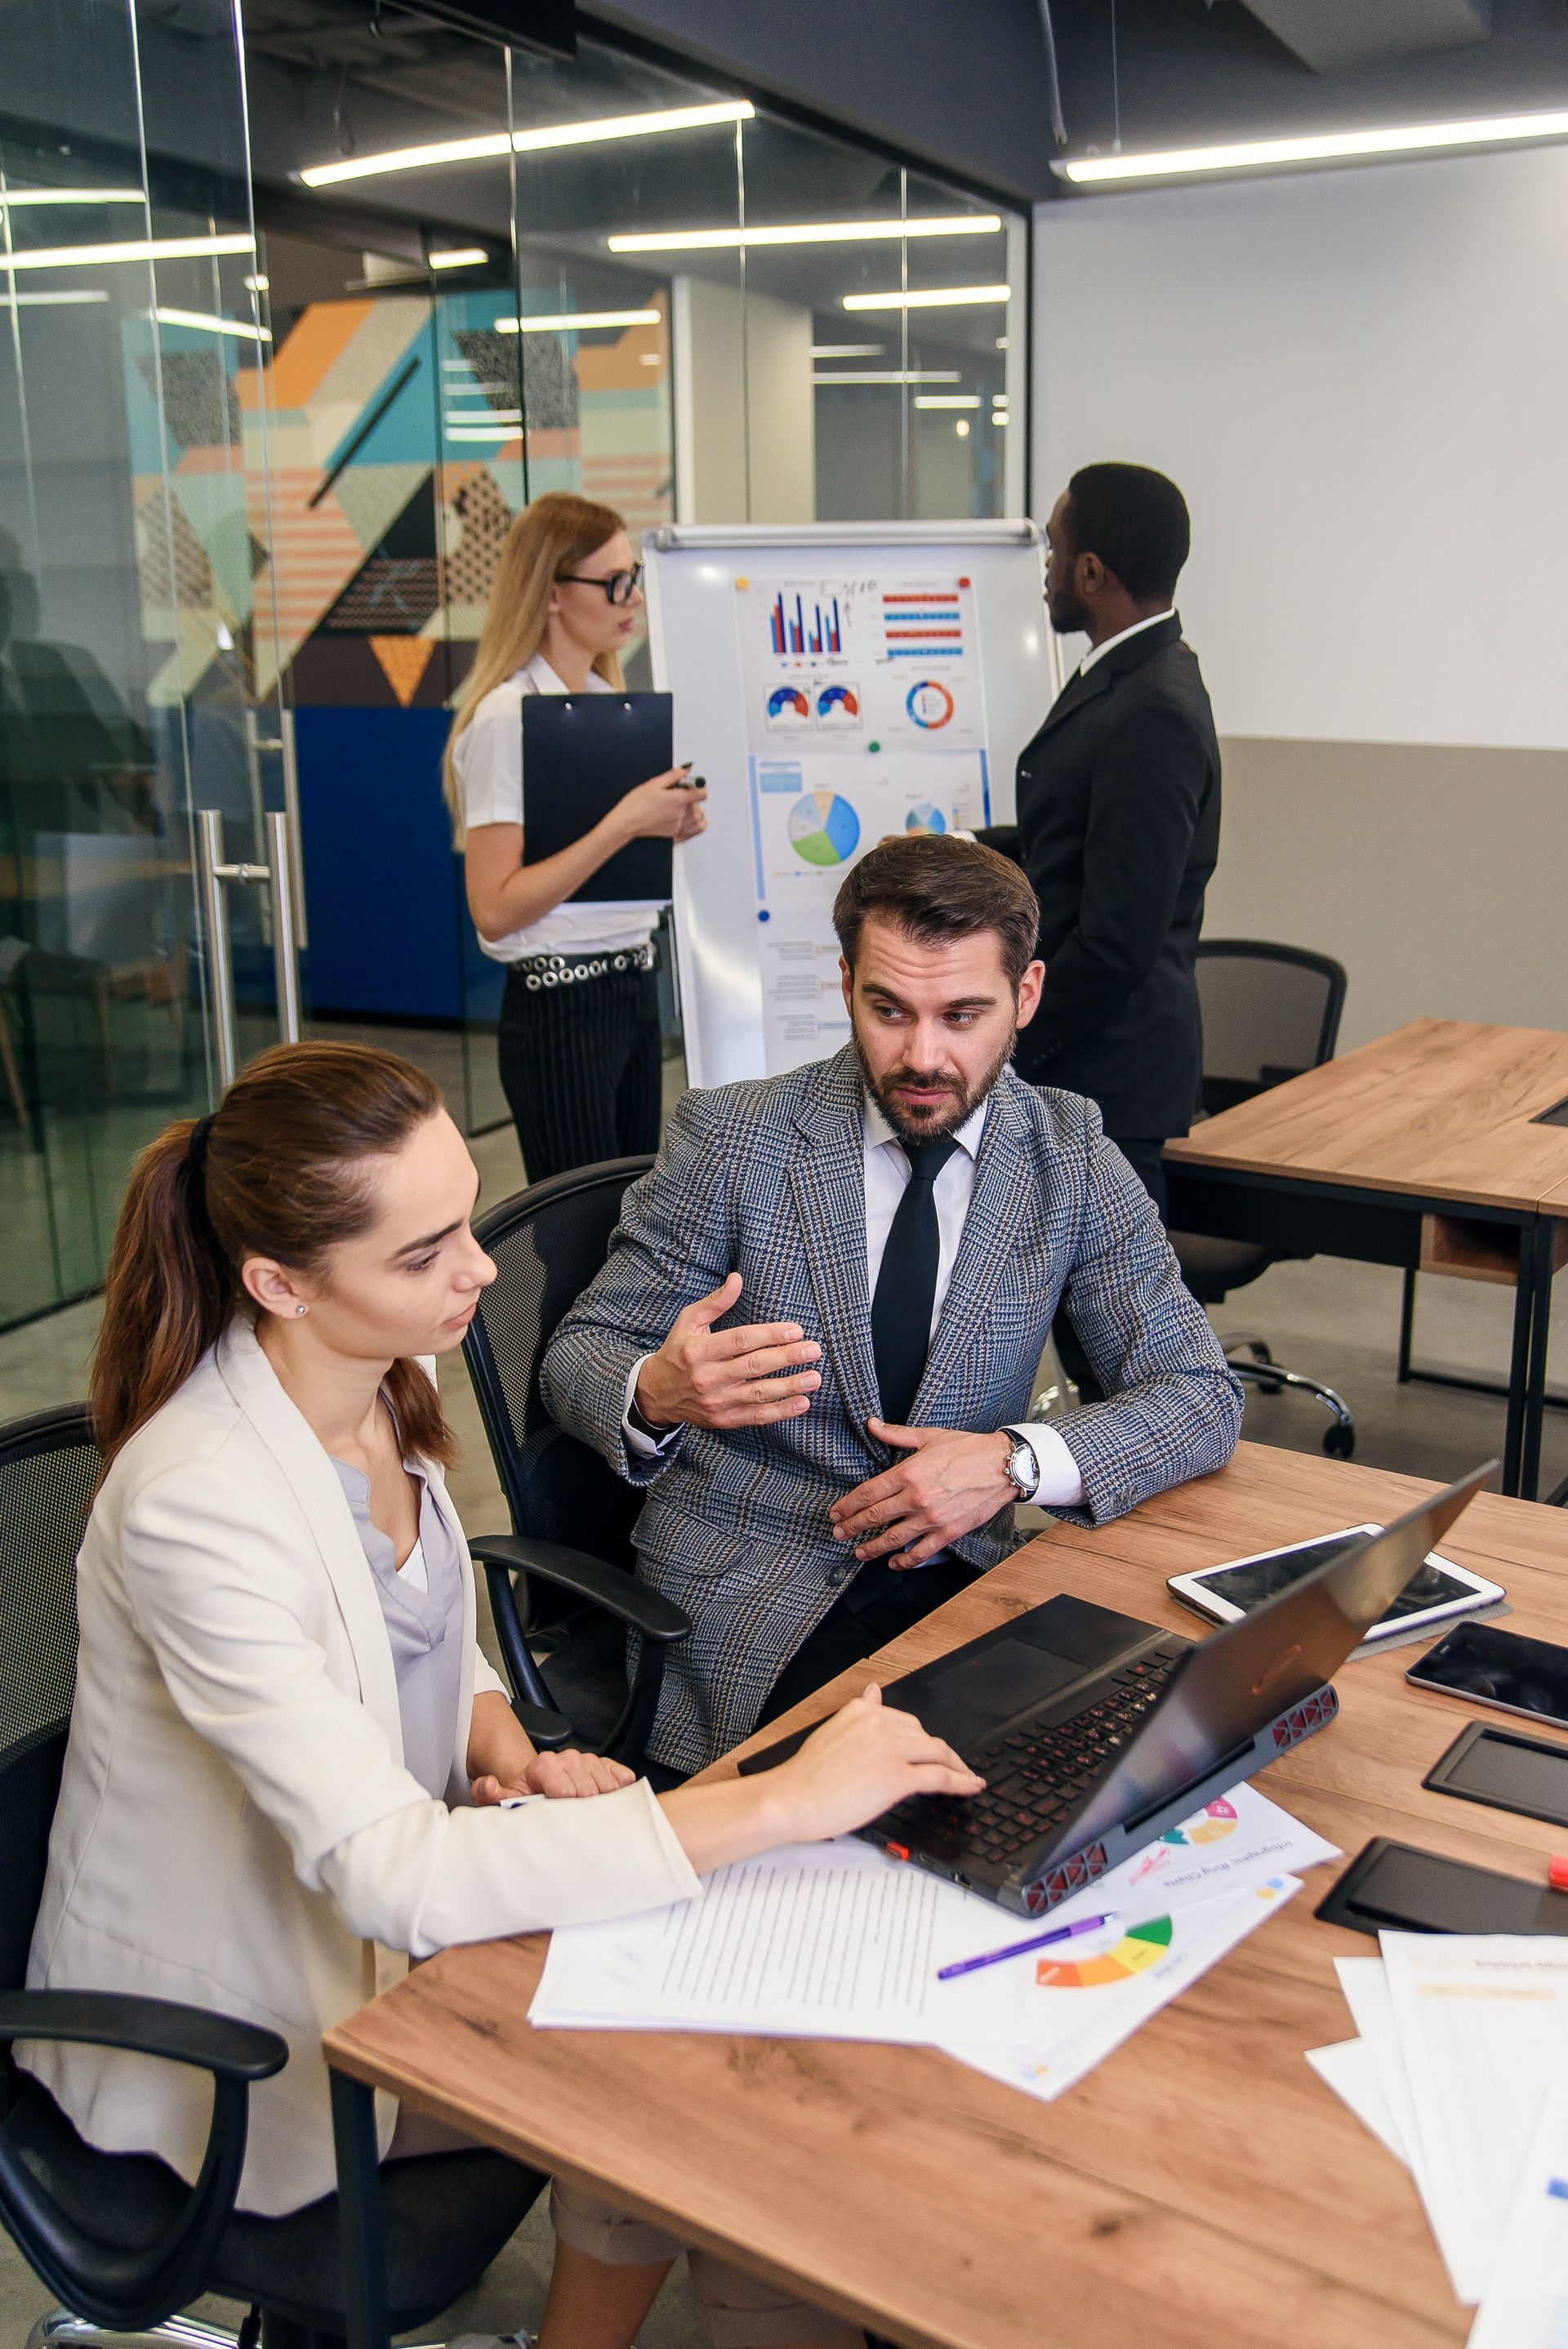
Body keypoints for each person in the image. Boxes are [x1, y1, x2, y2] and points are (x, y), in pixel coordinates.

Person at [21, 1038, 981, 2349]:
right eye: (421, 1256)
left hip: (376, 1923)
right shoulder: (199, 1503)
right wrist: (775, 1807)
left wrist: (499, 1737)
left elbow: (430, 1635)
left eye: (463, 1223)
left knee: (703, 2076)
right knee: (700, 2098)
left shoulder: (373, 1382)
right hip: (234, 2028)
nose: (478, 1269)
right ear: (278, 1283)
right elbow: (391, 1875)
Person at [541, 836, 1243, 1779]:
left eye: (963, 1014)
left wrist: (1013, 1462)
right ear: (844, 985)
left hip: (964, 1577)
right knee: (862, 1816)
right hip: (755, 1595)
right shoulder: (736, 1136)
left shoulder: (1069, 1153)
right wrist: (656, 1389)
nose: (923, 1055)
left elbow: (1200, 1392)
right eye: (889, 1009)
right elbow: (578, 1353)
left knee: (1126, 1765)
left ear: (1025, 996)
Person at [979, 461, 1221, 1223]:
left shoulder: (1153, 706)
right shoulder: (1129, 675)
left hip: (1108, 1076)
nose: (1046, 570)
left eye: (1054, 551)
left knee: (1118, 1337)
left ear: (1089, 570)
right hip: (1088, 1063)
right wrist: (956, 849)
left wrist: (1006, 1034)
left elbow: (1119, 939)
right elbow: (1078, 838)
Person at [442, 492, 707, 1183]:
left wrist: (661, 831)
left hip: (631, 988)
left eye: (635, 579)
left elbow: (589, 870)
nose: (633, 600)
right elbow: (495, 907)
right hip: (560, 1005)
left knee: (627, 1224)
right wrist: (624, 823)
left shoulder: (600, 701)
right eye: (614, 583)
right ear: (552, 593)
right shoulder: (509, 717)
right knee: (578, 1241)